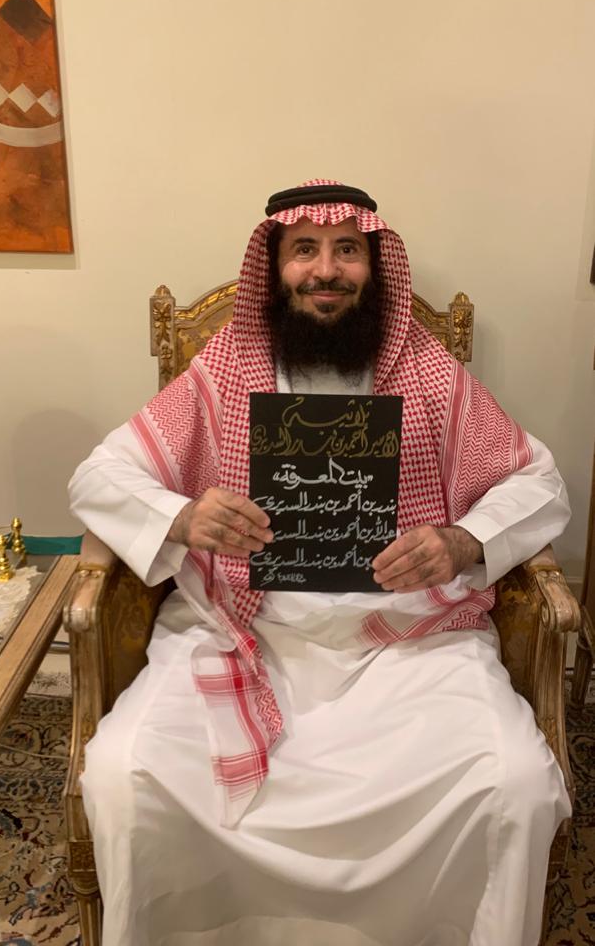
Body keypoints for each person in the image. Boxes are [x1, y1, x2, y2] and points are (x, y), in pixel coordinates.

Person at [68, 179, 571, 946]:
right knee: (124, 774)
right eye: (304, 250)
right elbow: (98, 477)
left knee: (516, 784)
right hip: (247, 632)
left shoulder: (427, 371)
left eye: (347, 251)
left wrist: (463, 540)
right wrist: (184, 515)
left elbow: (539, 480)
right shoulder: (226, 370)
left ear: (375, 266)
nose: (326, 270)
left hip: (408, 642)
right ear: (275, 269)